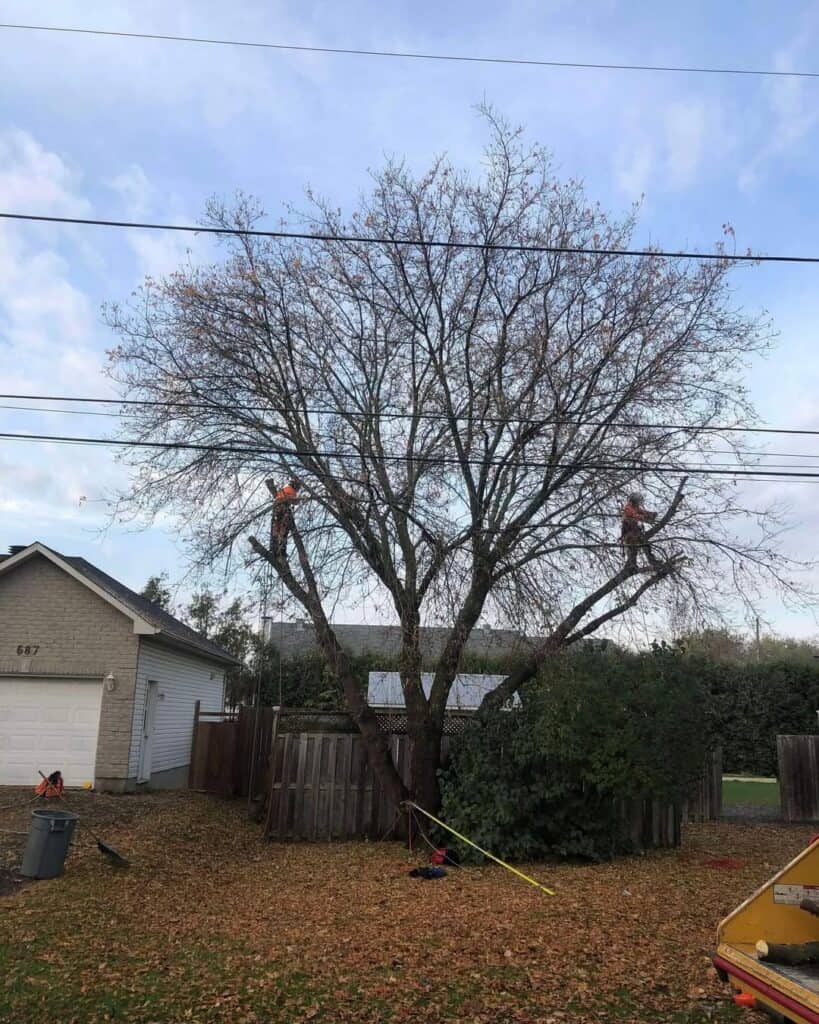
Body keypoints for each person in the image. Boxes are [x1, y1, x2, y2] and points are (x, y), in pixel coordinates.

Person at [620, 492, 662, 569]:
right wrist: (646, 517)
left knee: (645, 544)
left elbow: (642, 512)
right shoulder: (628, 507)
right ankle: (631, 565)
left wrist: (651, 514)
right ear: (634, 500)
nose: (639, 503)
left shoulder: (636, 507)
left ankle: (652, 560)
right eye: (638, 501)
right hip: (628, 531)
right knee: (632, 548)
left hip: (635, 530)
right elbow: (636, 515)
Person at [269, 477, 302, 554]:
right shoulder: (290, 490)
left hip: (277, 508)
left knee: (276, 527)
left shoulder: (285, 489)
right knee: (284, 527)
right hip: (282, 508)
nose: (298, 490)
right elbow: (293, 500)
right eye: (298, 488)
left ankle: (274, 546)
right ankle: (281, 547)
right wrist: (299, 499)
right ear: (295, 485)